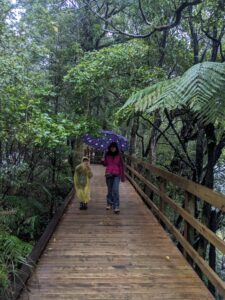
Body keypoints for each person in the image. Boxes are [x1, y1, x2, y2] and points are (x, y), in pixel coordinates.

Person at [102, 142, 125, 214]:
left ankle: (116, 206)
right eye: (111, 147)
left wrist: (122, 176)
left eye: (114, 147)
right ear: (109, 148)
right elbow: (105, 164)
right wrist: (102, 161)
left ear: (116, 148)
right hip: (108, 174)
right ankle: (109, 203)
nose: (113, 148)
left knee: (115, 190)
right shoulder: (107, 154)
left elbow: (121, 165)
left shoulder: (119, 155)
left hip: (117, 174)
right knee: (109, 190)